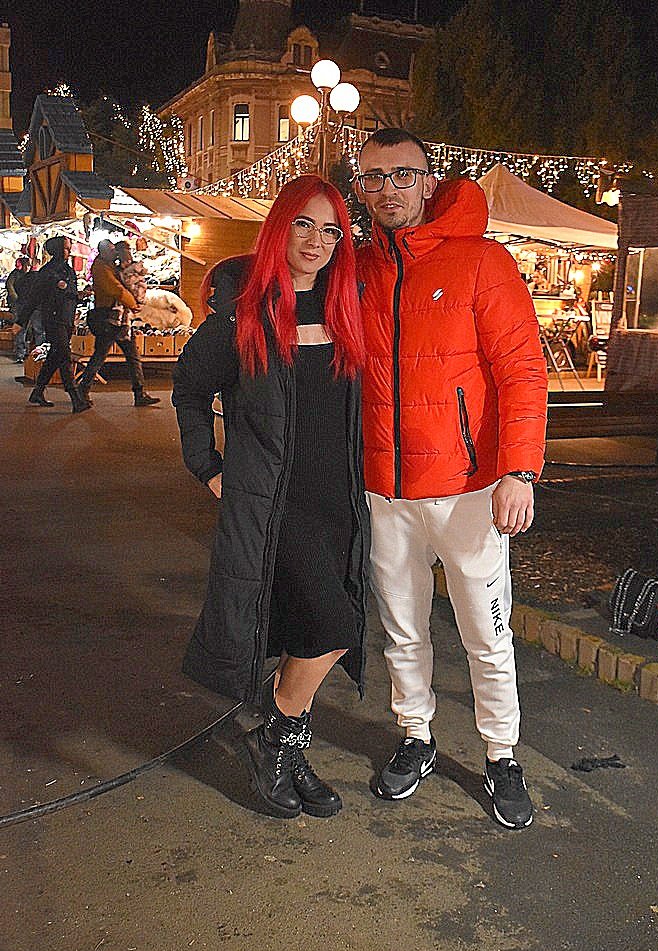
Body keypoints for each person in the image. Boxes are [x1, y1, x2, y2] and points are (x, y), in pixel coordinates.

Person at [353, 128, 548, 829]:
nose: (388, 189)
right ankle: (416, 736)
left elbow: (523, 370)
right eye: (373, 177)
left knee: (485, 635)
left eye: (402, 174)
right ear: (361, 186)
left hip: (469, 489)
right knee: (402, 628)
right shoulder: (360, 267)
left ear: (428, 180)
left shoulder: (482, 260)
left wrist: (519, 469)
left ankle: (501, 754)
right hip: (385, 488)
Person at [172, 174, 368, 820]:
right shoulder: (243, 313)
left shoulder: (344, 308)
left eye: (331, 231)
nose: (316, 242)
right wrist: (208, 467)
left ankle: (287, 746)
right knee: (336, 627)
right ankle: (276, 732)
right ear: (280, 226)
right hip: (274, 506)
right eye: (304, 225)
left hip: (337, 504)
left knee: (309, 627)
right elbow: (189, 390)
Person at [76, 239, 158, 407]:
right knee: (108, 355)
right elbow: (115, 289)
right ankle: (83, 389)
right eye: (111, 250)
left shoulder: (110, 266)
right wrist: (133, 303)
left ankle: (139, 392)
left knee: (122, 355)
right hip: (109, 318)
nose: (114, 253)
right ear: (103, 252)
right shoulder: (101, 268)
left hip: (118, 319)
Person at [15, 237, 89, 413]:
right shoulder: (47, 272)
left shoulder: (67, 269)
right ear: (57, 250)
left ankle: (37, 392)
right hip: (54, 320)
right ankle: (76, 398)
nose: (69, 251)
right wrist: (20, 321)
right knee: (64, 356)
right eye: (66, 248)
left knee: (55, 356)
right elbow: (34, 298)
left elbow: (68, 294)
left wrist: (79, 295)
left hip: (66, 320)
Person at [6, 256, 31, 363]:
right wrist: (15, 298)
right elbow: (9, 286)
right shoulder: (15, 274)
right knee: (20, 329)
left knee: (26, 329)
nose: (27, 267)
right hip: (18, 305)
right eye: (26, 265)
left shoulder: (29, 275)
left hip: (27, 305)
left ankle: (24, 352)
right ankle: (20, 353)